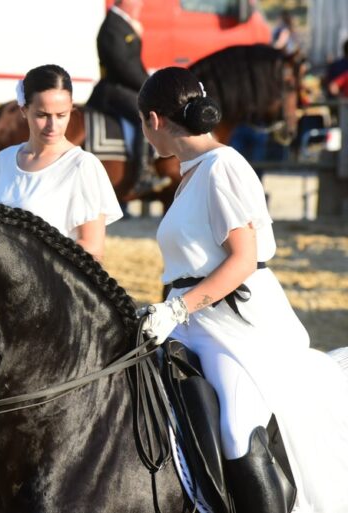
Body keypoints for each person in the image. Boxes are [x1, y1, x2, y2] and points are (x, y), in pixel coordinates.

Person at [138, 66, 348, 513]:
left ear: (153, 120)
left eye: (143, 123)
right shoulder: (192, 172)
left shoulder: (222, 167)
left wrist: (177, 310)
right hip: (194, 319)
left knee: (237, 429)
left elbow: (243, 259)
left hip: (235, 325)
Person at [0, 64, 122, 261]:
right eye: (42, 115)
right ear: (24, 110)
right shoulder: (4, 160)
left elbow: (93, 249)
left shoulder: (83, 165)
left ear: (71, 108)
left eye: (61, 115)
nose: (53, 126)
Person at [86, 0, 165, 195]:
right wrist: (150, 85)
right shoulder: (112, 27)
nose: (141, 5)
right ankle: (142, 174)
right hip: (112, 89)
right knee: (144, 118)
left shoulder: (124, 24)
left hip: (123, 86)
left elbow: (134, 64)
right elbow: (123, 67)